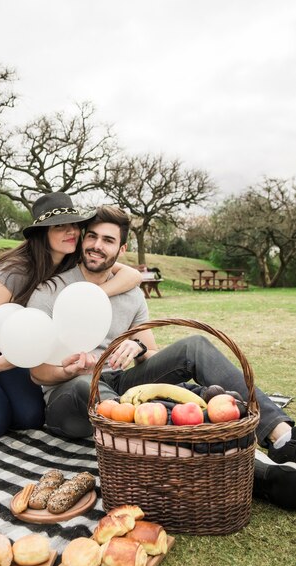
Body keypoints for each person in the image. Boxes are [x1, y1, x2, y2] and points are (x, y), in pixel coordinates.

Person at [28, 205, 296, 510]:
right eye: (92, 237)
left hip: (117, 382)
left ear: (122, 248)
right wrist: (69, 370)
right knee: (89, 384)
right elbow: (37, 373)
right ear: (82, 240)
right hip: (68, 399)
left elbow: (151, 354)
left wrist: (138, 348)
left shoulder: (130, 295)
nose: (97, 246)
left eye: (108, 240)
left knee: (193, 346)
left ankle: (282, 436)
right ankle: (261, 477)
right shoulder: (52, 290)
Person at [0, 192, 142, 438]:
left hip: (13, 341)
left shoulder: (72, 257)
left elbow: (133, 275)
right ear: (44, 232)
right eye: (60, 227)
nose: (71, 231)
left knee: (30, 417)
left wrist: (92, 296)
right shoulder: (15, 269)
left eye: (74, 224)